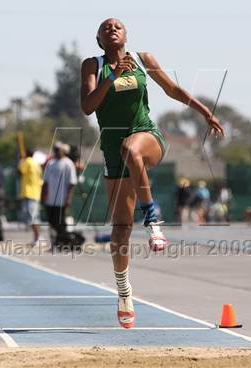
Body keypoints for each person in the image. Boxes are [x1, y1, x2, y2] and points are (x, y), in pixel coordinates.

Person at [80, 18, 225, 329]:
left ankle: (153, 218)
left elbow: (172, 89)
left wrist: (205, 112)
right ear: (99, 39)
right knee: (120, 229)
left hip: (147, 137)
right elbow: (88, 106)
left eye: (118, 25)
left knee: (132, 149)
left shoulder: (144, 60)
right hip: (111, 147)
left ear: (126, 35)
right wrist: (113, 76)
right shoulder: (93, 65)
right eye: (106, 27)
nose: (113, 28)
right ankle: (124, 293)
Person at [42, 142, 77, 247]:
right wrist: (43, 196)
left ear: (63, 151)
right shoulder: (50, 163)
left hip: (61, 199)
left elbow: (72, 183)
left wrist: (68, 198)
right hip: (50, 199)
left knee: (60, 222)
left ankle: (63, 242)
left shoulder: (68, 163)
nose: (57, 151)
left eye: (59, 149)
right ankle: (55, 241)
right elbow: (45, 182)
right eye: (55, 149)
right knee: (51, 221)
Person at [18, 149, 43, 247]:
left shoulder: (27, 161)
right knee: (34, 216)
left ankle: (38, 238)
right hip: (35, 192)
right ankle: (37, 237)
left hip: (30, 192)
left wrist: (21, 161)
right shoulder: (36, 163)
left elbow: (20, 171)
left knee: (33, 217)